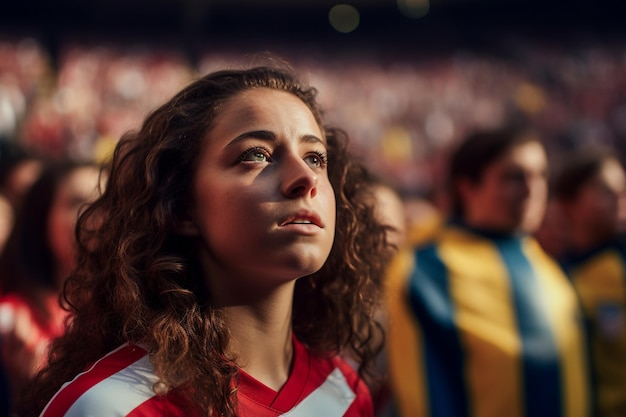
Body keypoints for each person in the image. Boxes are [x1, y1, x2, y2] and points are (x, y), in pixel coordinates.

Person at [20, 65, 390, 417]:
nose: (305, 178)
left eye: (316, 157)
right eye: (256, 155)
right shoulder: (110, 407)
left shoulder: (344, 393)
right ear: (181, 207)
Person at [384, 126, 592, 417]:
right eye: (515, 177)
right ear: (466, 187)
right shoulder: (427, 270)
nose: (534, 189)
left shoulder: (546, 263)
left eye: (541, 175)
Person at [0, 160, 103, 411]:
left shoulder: (135, 315)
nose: (96, 214)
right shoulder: (10, 321)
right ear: (42, 216)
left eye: (107, 201)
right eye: (77, 201)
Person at [553, 146, 626, 417]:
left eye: (622, 189)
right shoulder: (552, 273)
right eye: (605, 191)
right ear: (568, 203)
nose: (619, 198)